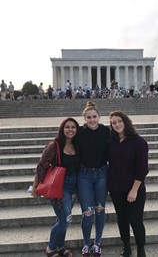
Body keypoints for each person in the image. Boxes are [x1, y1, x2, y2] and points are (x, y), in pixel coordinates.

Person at [32, 117, 80, 257]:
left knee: (62, 219)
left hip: (74, 185)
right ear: (62, 129)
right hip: (60, 186)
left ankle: (60, 246)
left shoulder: (77, 144)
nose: (70, 129)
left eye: (73, 127)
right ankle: (51, 248)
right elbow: (42, 165)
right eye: (67, 127)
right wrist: (36, 185)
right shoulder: (55, 145)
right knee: (65, 220)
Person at [108, 111, 149, 257]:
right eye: (114, 122)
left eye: (119, 121)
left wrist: (134, 190)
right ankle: (126, 246)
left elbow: (142, 168)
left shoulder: (139, 142)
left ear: (125, 122)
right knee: (122, 219)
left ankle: (140, 248)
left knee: (136, 220)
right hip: (116, 188)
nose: (117, 124)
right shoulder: (111, 141)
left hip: (134, 188)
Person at [77, 101, 110, 257]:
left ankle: (97, 243)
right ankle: (85, 244)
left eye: (94, 117)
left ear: (99, 117)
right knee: (87, 212)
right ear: (84, 118)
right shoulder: (79, 132)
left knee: (100, 209)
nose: (92, 120)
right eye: (89, 117)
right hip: (84, 175)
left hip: (102, 174)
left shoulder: (106, 131)